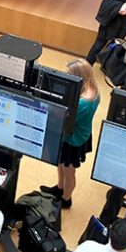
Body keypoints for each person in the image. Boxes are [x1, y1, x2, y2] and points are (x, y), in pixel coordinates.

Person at [42, 59, 100, 209]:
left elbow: (64, 118)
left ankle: (66, 199)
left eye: (70, 74)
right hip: (75, 134)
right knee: (61, 163)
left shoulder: (84, 102)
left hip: (73, 139)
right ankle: (60, 188)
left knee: (69, 171)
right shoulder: (92, 89)